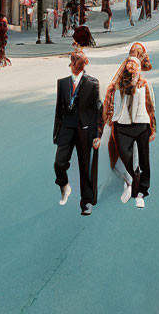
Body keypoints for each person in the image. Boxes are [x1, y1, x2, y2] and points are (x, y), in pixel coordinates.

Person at [53, 51, 102, 216]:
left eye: (77, 63)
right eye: (73, 63)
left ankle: (87, 202)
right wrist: (56, 133)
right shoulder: (62, 83)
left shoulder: (92, 83)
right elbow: (58, 110)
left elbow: (97, 110)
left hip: (85, 130)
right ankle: (64, 184)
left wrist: (97, 134)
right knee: (59, 163)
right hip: (66, 129)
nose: (74, 66)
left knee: (84, 167)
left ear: (83, 64)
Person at [103, 55, 155, 208]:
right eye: (129, 64)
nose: (131, 66)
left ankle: (141, 192)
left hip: (141, 124)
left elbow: (151, 106)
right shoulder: (119, 84)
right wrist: (111, 118)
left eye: (134, 64)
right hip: (122, 125)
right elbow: (112, 102)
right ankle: (133, 180)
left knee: (144, 159)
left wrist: (153, 128)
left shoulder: (144, 84)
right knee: (126, 156)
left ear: (139, 67)